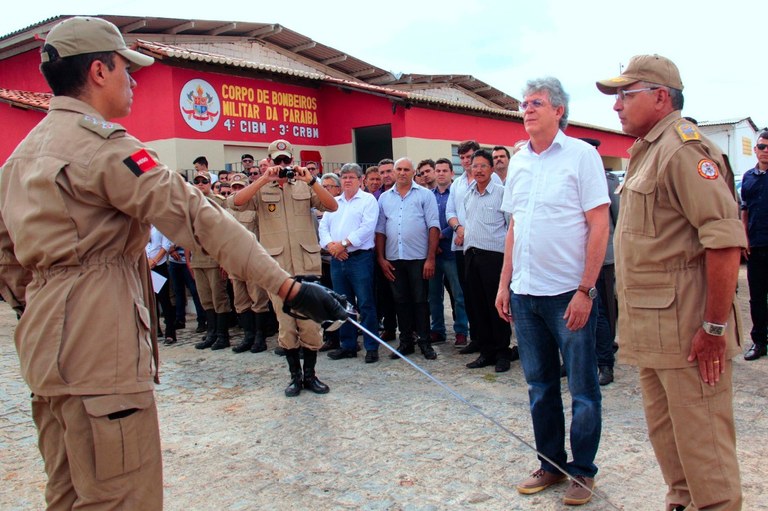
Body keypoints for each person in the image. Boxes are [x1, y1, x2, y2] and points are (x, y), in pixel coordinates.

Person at [0, 16, 346, 509]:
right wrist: (289, 288)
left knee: (68, 490)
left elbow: (6, 255)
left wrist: (38, 304)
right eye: (125, 68)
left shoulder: (20, 157)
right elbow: (200, 219)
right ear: (98, 71)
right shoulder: (106, 149)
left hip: (43, 343)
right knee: (121, 495)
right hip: (99, 342)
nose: (133, 80)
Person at [596, 54, 746, 510]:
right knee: (669, 439)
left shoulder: (683, 150)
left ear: (661, 97)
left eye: (626, 94)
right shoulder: (648, 151)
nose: (616, 105)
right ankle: (681, 501)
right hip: (653, 331)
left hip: (688, 333)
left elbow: (724, 242)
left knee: (705, 447)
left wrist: (714, 328)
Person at [495, 77, 609, 506]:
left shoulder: (581, 156)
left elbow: (599, 223)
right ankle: (550, 464)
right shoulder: (520, 160)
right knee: (539, 386)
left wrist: (586, 290)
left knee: (582, 389)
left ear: (559, 110)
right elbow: (514, 226)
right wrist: (505, 284)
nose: (527, 109)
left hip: (568, 293)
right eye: (524, 104)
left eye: (536, 103)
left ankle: (583, 471)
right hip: (525, 295)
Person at [231, 138, 339, 396]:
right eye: (277, 160)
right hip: (277, 270)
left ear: (292, 160)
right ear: (269, 161)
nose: (282, 164)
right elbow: (237, 202)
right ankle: (295, 377)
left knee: (310, 325)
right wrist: (263, 179)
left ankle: (311, 376)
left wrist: (311, 180)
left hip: (306, 267)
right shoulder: (261, 187)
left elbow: (332, 205)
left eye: (286, 160)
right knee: (287, 326)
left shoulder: (304, 185)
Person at [449, 149, 516, 372]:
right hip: (471, 255)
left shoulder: (502, 193)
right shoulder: (468, 194)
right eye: (475, 166)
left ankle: (503, 352)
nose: (478, 170)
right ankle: (486, 352)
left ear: (491, 169)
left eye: (483, 166)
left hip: (494, 258)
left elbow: (510, 227)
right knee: (477, 306)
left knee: (496, 306)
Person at [376, 157, 440, 360]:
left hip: (418, 258)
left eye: (406, 169)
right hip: (394, 258)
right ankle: (405, 342)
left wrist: (430, 259)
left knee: (420, 301)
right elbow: (380, 230)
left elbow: (433, 226)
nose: (402, 172)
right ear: (394, 172)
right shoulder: (384, 198)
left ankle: (424, 342)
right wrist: (381, 258)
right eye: (399, 169)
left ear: (413, 172)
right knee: (400, 301)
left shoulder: (425, 195)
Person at [319, 163, 380, 362]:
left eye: (351, 177)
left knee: (365, 303)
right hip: (337, 259)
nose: (347, 180)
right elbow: (323, 228)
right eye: (344, 177)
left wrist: (344, 244)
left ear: (361, 180)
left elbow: (367, 228)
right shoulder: (333, 203)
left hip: (359, 258)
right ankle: (348, 345)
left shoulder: (368, 200)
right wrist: (331, 246)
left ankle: (371, 347)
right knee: (343, 304)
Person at [226, 172, 272, 354]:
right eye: (234, 187)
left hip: (253, 260)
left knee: (258, 299)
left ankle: (260, 337)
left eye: (240, 187)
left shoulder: (255, 207)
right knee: (240, 300)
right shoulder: (227, 210)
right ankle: (248, 335)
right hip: (234, 260)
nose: (237, 190)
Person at [188, 168, 233, 351]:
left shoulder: (219, 202)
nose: (200, 185)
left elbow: (227, 231)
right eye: (197, 182)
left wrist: (224, 259)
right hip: (198, 257)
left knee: (218, 297)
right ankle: (211, 333)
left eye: (204, 181)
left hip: (214, 257)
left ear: (210, 183)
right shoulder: (190, 204)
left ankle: (222, 335)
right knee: (205, 298)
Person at [428, 158, 468, 346]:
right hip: (433, 253)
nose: (441, 173)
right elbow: (425, 220)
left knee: (459, 295)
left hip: (451, 252)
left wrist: (440, 236)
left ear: (452, 173)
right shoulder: (429, 196)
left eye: (445, 170)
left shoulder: (457, 193)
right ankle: (437, 329)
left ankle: (461, 330)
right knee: (434, 295)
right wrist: (432, 243)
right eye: (438, 170)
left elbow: (459, 217)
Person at [741, 130, 768, 361]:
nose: (765, 150)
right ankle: (759, 342)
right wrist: (744, 238)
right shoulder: (748, 177)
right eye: (761, 146)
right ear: (755, 150)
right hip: (756, 247)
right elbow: (745, 210)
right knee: (757, 298)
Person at [146, 225, 176, 344]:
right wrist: (146, 261)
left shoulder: (160, 225)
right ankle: (155, 329)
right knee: (151, 300)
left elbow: (165, 245)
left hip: (159, 266)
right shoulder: (141, 225)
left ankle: (170, 333)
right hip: (146, 266)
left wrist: (154, 261)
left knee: (164, 299)